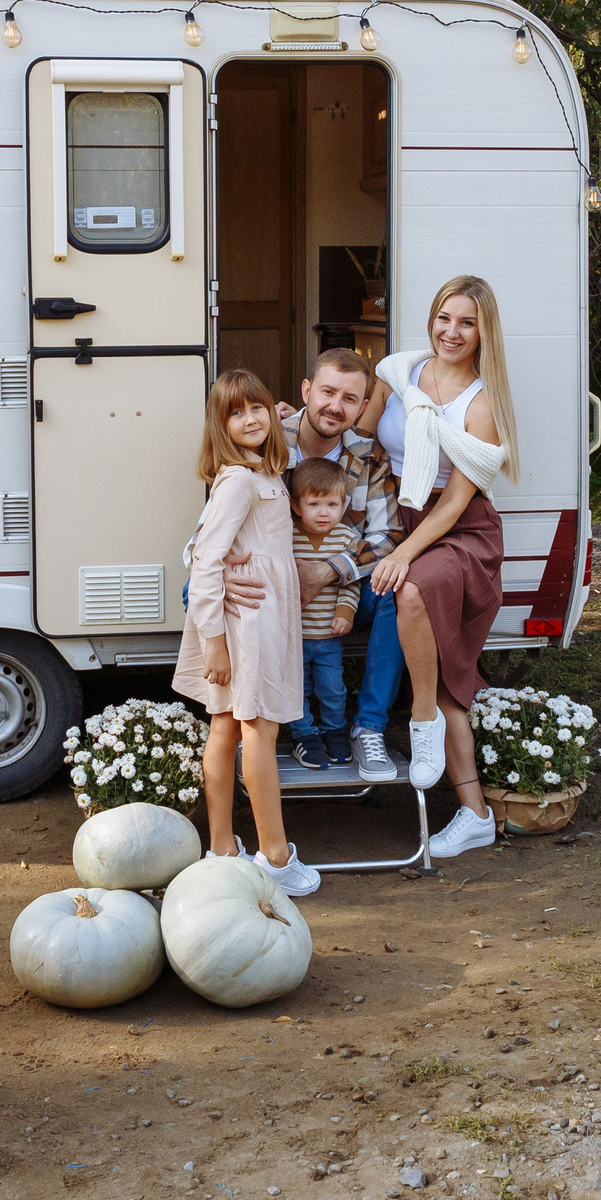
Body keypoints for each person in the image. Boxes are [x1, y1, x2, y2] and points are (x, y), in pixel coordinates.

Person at [362, 275, 519, 858]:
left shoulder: (482, 403)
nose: (451, 332)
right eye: (443, 318)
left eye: (466, 323)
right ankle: (476, 815)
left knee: (413, 591)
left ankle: (419, 721)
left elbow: (456, 501)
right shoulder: (398, 373)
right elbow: (358, 432)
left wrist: (404, 551)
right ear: (430, 320)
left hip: (460, 531)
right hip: (399, 511)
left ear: (484, 333)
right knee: (455, 681)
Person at [223, 349, 409, 782]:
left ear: (363, 408)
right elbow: (209, 532)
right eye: (327, 392)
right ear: (307, 390)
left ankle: (369, 728)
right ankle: (242, 726)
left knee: (398, 592)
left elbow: (388, 536)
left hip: (334, 595)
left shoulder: (368, 459)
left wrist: (327, 570)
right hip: (267, 587)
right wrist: (229, 573)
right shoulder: (262, 439)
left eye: (349, 399)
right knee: (195, 593)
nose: (335, 406)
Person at [171, 370, 320, 897]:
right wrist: (213, 639)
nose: (251, 418)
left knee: (226, 728)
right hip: (247, 622)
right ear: (221, 425)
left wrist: (282, 414)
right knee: (257, 730)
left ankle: (221, 849)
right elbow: (207, 560)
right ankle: (276, 858)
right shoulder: (238, 480)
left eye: (257, 407)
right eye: (237, 413)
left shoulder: (263, 470)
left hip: (256, 615)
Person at [282, 459, 361, 771]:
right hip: (294, 636)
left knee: (332, 687)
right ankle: (304, 735)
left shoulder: (345, 539)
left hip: (328, 635)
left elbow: (349, 582)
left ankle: (334, 731)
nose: (324, 512)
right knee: (296, 688)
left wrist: (345, 612)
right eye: (314, 504)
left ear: (343, 505)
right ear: (297, 506)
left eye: (332, 504)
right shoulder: (287, 536)